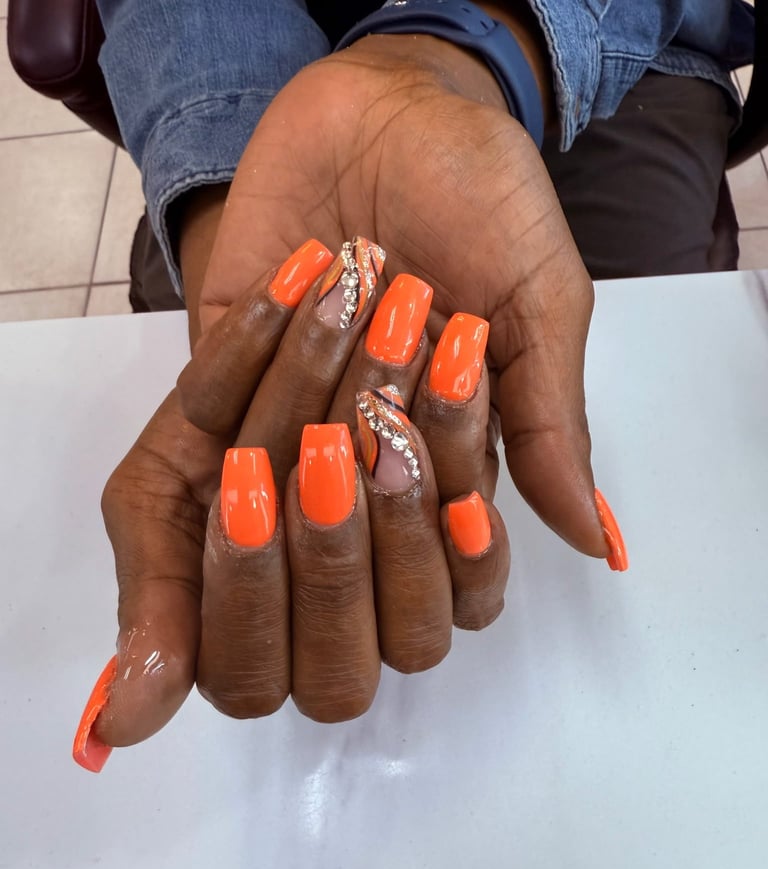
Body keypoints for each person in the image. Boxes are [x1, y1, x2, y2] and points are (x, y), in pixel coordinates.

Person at [73, 0, 752, 769]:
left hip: (615, 37)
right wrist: (226, 189)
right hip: (240, 61)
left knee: (657, 361)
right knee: (242, 424)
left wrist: (480, 48)